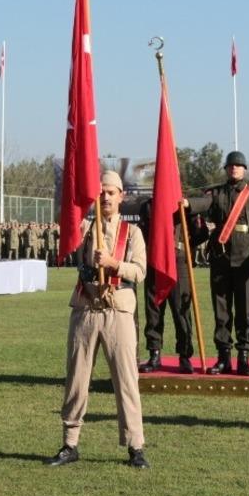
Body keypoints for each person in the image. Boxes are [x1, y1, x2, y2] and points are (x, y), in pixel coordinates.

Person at [46, 170, 149, 468]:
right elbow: (66, 235)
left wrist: (114, 264)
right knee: (77, 379)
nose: (106, 197)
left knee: (126, 380)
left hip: (118, 310)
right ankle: (70, 443)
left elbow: (140, 271)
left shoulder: (133, 233)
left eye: (111, 192)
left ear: (121, 196)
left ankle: (135, 446)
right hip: (86, 308)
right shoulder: (85, 228)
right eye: (101, 192)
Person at [184, 151, 249, 374]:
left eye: (238, 165)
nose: (234, 168)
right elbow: (203, 203)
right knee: (221, 310)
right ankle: (223, 357)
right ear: (225, 169)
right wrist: (187, 203)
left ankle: (244, 357)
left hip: (245, 258)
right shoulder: (216, 193)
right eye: (231, 165)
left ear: (244, 169)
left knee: (245, 310)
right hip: (220, 257)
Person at [138, 198, 195, 374]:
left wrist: (185, 248)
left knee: (181, 311)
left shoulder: (184, 205)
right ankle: (154, 354)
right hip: (155, 261)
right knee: (153, 309)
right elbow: (143, 232)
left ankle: (185, 356)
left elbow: (199, 232)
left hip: (178, 261)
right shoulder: (147, 206)